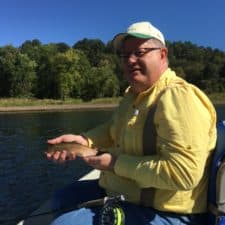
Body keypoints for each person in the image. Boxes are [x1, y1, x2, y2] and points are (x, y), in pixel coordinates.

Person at [46, 21, 217, 225]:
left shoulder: (179, 98)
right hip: (123, 190)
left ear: (162, 54)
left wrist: (114, 163)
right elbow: (112, 130)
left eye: (139, 52)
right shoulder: (134, 96)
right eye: (125, 55)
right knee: (58, 200)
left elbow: (184, 174)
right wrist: (84, 140)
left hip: (166, 212)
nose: (130, 60)